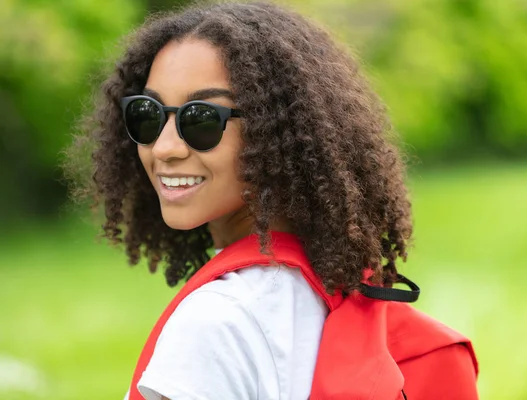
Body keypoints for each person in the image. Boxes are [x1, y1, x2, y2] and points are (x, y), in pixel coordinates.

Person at [64, 2, 477, 399]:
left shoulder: (217, 321)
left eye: (203, 118)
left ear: (274, 131)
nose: (164, 147)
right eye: (147, 115)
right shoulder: (336, 292)